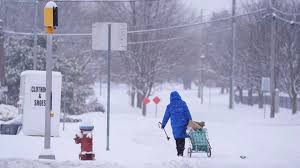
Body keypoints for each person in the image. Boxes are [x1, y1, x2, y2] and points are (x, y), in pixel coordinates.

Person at [161, 91, 192, 156]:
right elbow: (187, 113)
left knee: (177, 138)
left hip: (175, 125)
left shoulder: (170, 106)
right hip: (183, 123)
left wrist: (163, 124)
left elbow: (166, 116)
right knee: (182, 138)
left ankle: (179, 151)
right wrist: (190, 121)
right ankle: (181, 151)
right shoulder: (183, 104)